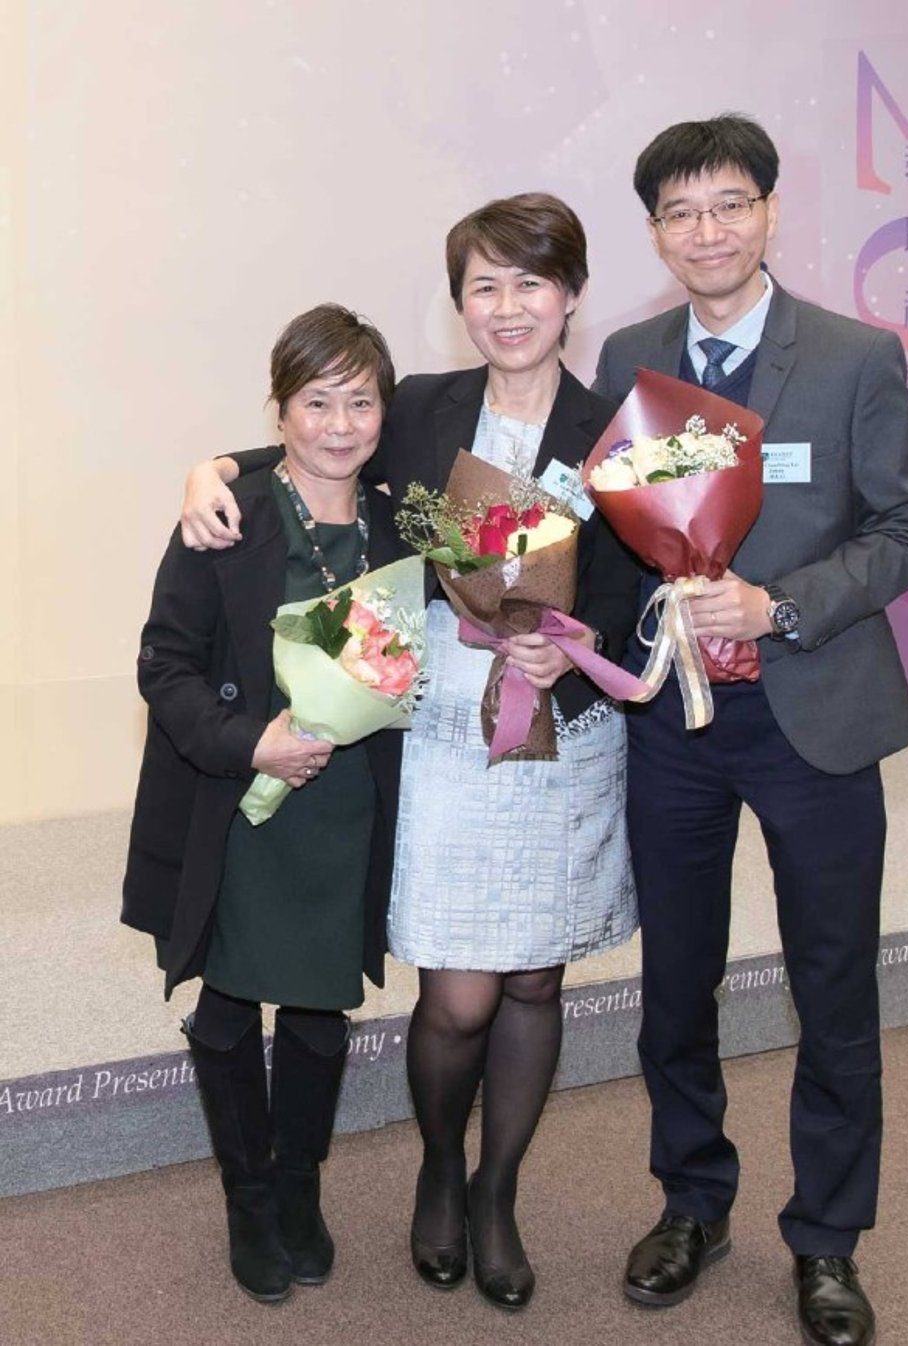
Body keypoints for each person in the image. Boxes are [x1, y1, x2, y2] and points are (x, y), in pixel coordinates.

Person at [178, 193, 642, 1310]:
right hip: (442, 731)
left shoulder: (618, 428)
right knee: (460, 992)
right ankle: (440, 1162)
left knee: (536, 976)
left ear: (571, 293)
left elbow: (643, 578)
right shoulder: (429, 410)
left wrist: (572, 656)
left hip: (563, 740)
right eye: (483, 285)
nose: (507, 306)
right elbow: (318, 436)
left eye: (529, 281)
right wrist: (215, 467)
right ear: (459, 307)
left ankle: (495, 1192)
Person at [592, 115, 908, 1346]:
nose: (706, 232)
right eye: (680, 213)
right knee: (674, 982)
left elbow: (906, 532)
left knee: (831, 983)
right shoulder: (629, 356)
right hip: (674, 725)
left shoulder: (852, 356)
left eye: (728, 205)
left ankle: (829, 1238)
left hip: (815, 716)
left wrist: (778, 605)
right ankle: (692, 1200)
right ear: (654, 232)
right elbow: (596, 527)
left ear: (771, 213)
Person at [122, 304, 408, 1305]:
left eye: (359, 399)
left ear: (385, 409)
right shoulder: (225, 516)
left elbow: (491, 575)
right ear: (280, 409)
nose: (339, 422)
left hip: (349, 808)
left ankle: (299, 1187)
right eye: (315, 400)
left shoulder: (400, 513)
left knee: (325, 1001)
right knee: (232, 998)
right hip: (242, 797)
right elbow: (163, 662)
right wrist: (254, 740)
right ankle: (248, 1195)